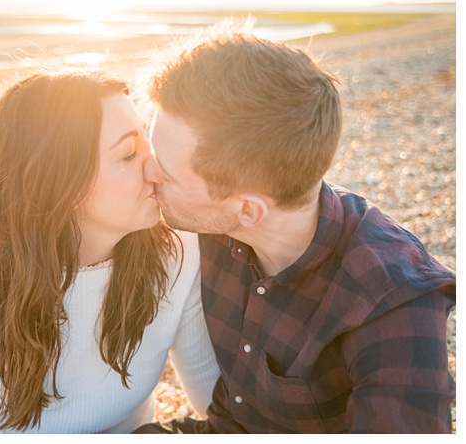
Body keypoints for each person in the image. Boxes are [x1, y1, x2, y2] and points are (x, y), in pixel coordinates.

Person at [137, 26, 455, 434]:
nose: (146, 173)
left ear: (249, 210)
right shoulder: (218, 218)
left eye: (164, 172)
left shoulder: (392, 301)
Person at [0, 70, 219, 434]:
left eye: (148, 141)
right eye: (129, 154)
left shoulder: (178, 247)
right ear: (59, 182)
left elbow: (212, 401)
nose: (157, 170)